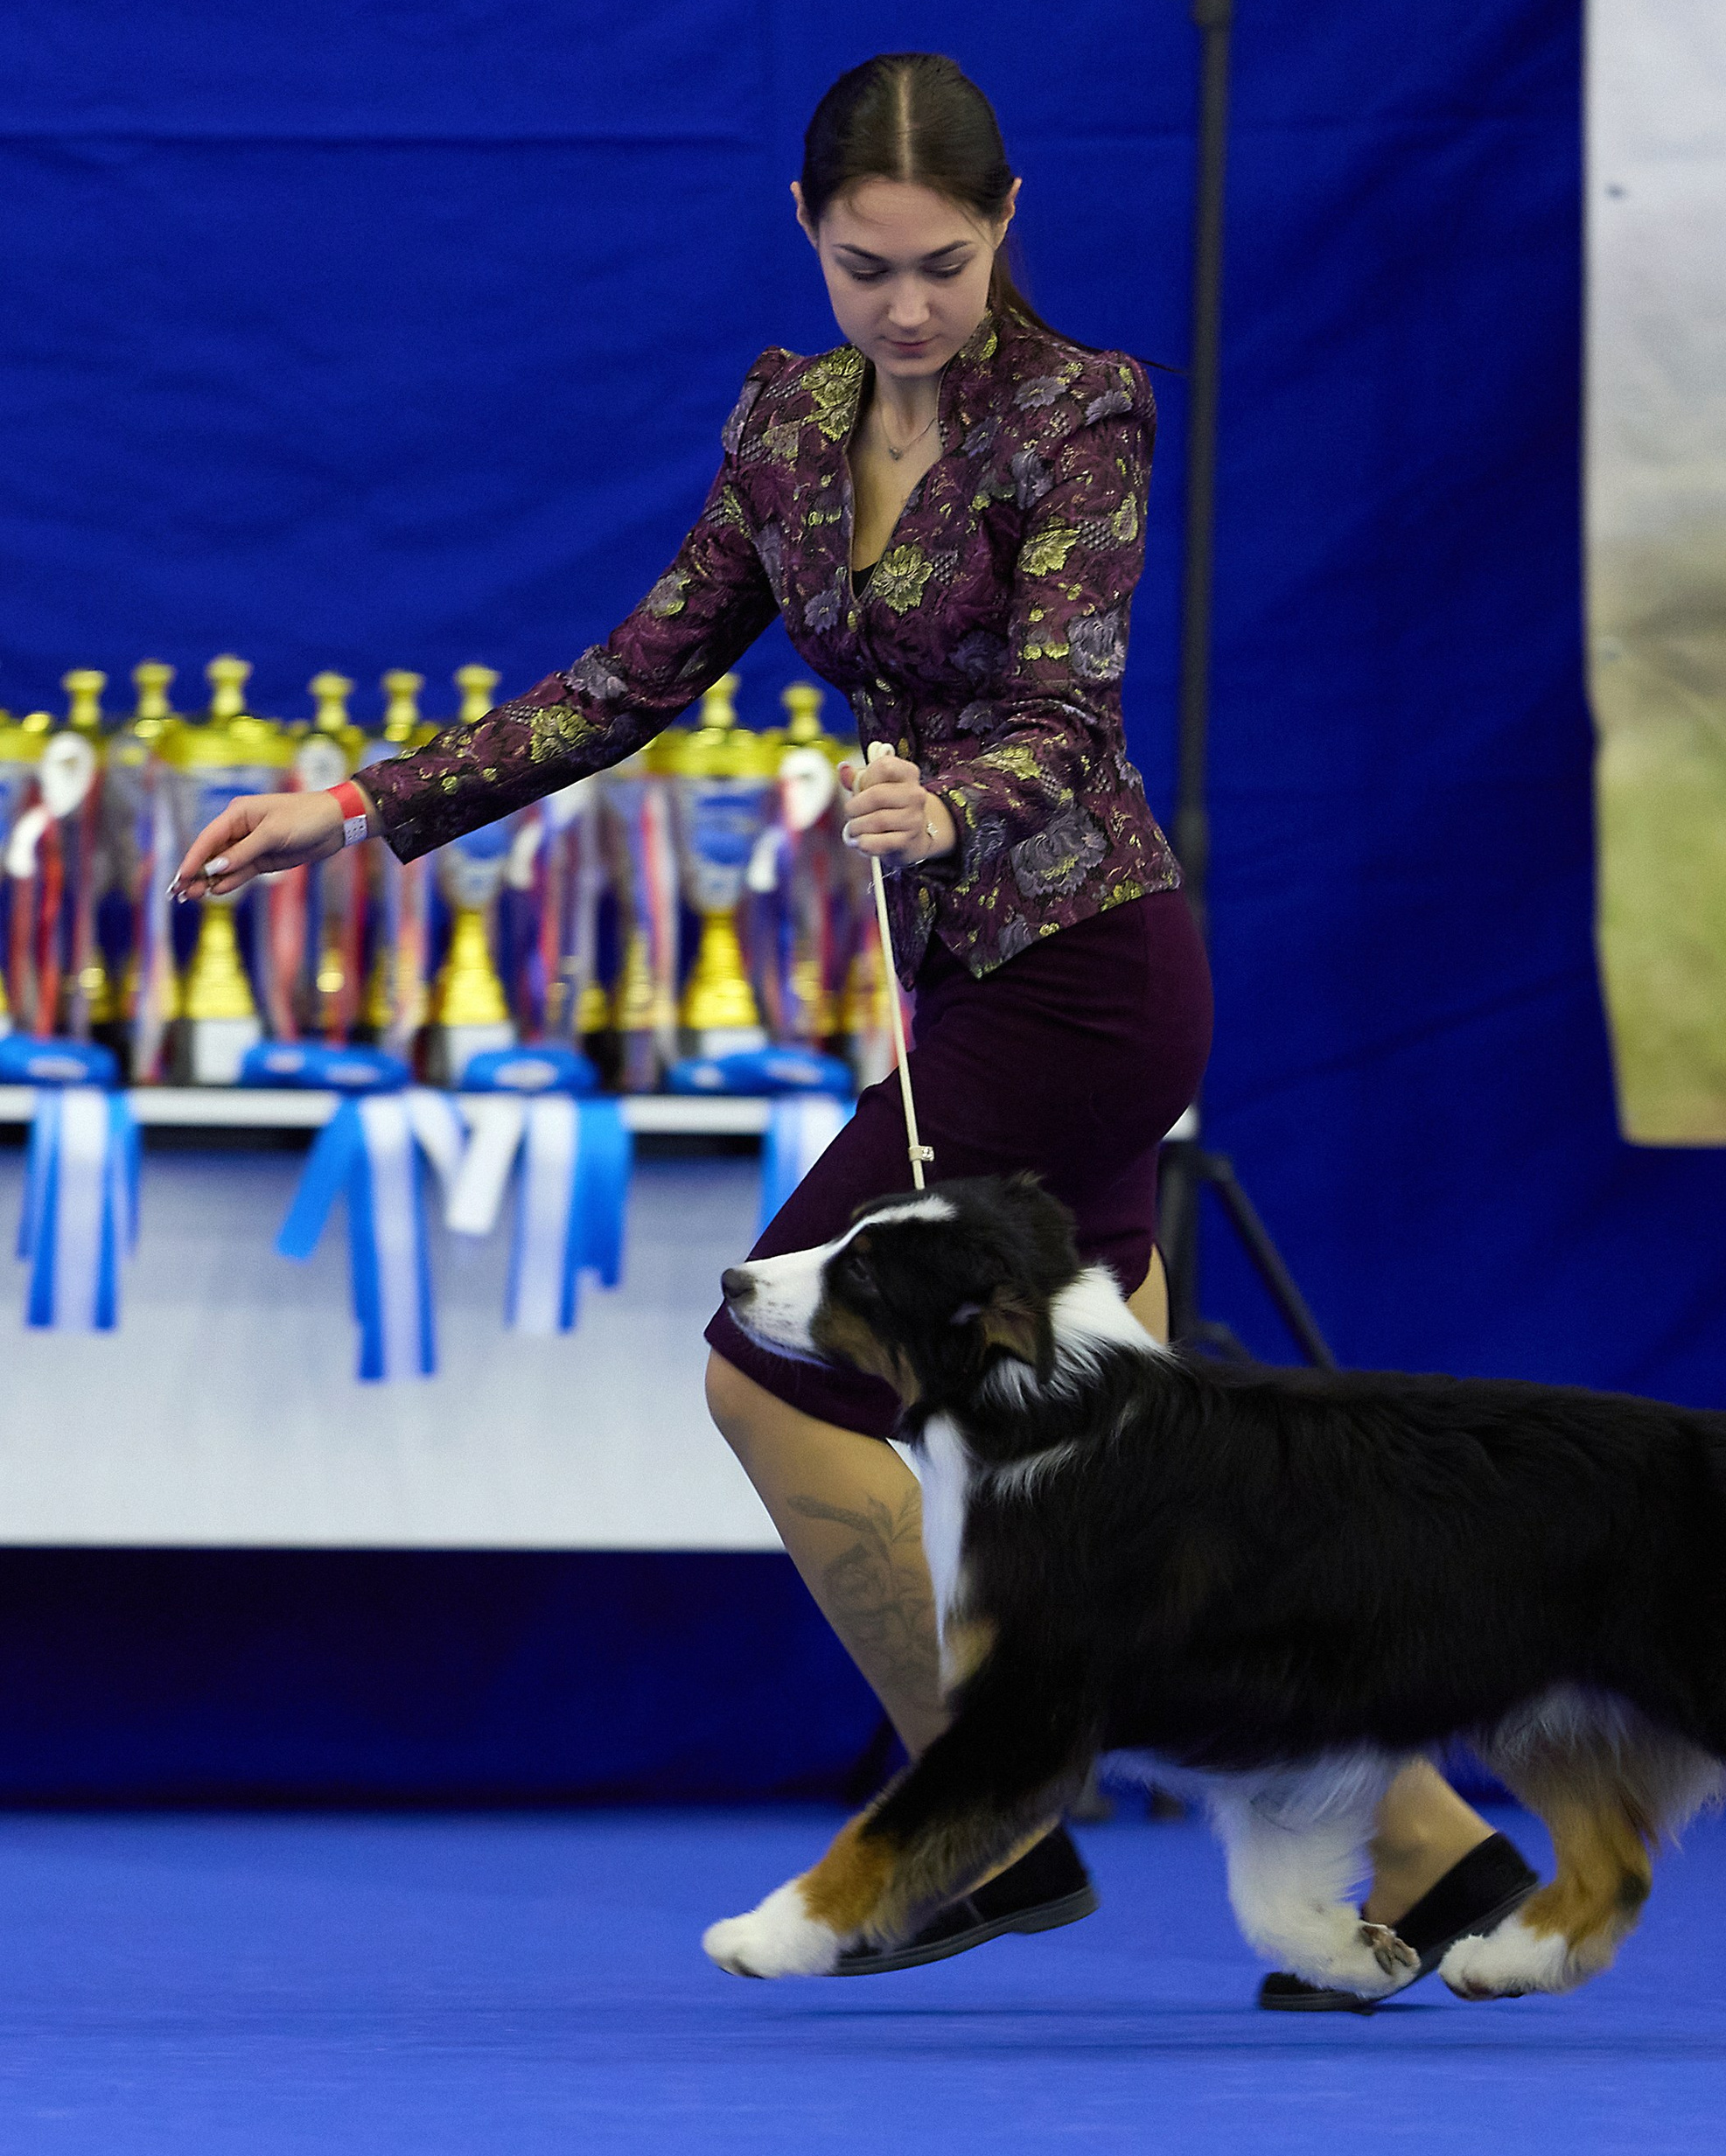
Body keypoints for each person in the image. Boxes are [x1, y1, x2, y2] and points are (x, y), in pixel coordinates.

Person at [171, 51, 1534, 2008]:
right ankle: (1442, 1853)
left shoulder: (1082, 413)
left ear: (1008, 230)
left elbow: (1063, 708)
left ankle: (985, 1808)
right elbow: (634, 671)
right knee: (1133, 1482)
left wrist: (950, 796)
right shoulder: (784, 425)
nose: (906, 306)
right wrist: (362, 806)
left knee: (767, 1375)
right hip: (976, 971)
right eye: (867, 265)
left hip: (1081, 968)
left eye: (947, 264)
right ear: (804, 238)